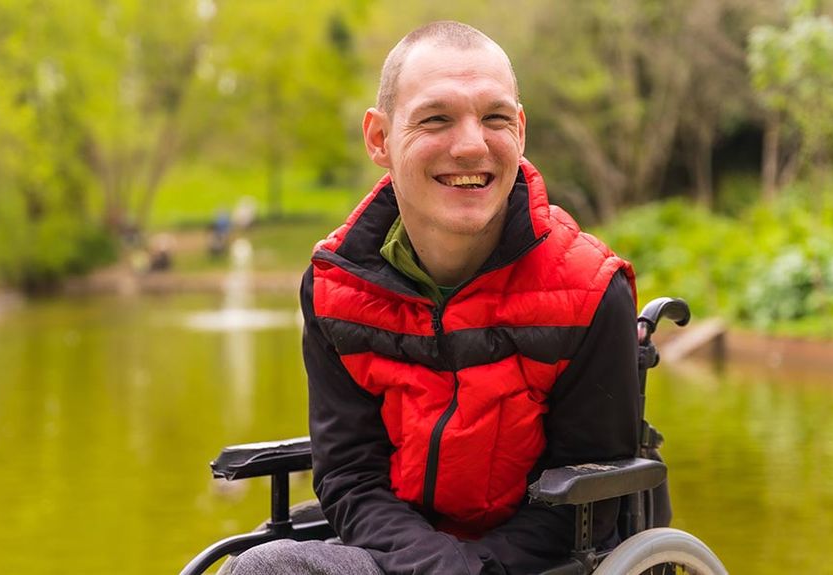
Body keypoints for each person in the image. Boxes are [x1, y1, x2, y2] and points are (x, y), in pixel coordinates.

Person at [230, 20, 639, 575]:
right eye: (436, 118)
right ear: (379, 139)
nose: (471, 145)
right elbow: (350, 475)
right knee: (265, 565)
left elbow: (590, 496)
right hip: (397, 555)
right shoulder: (334, 288)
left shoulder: (590, 289)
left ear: (519, 130)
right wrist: (432, 564)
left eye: (494, 117)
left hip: (536, 563)